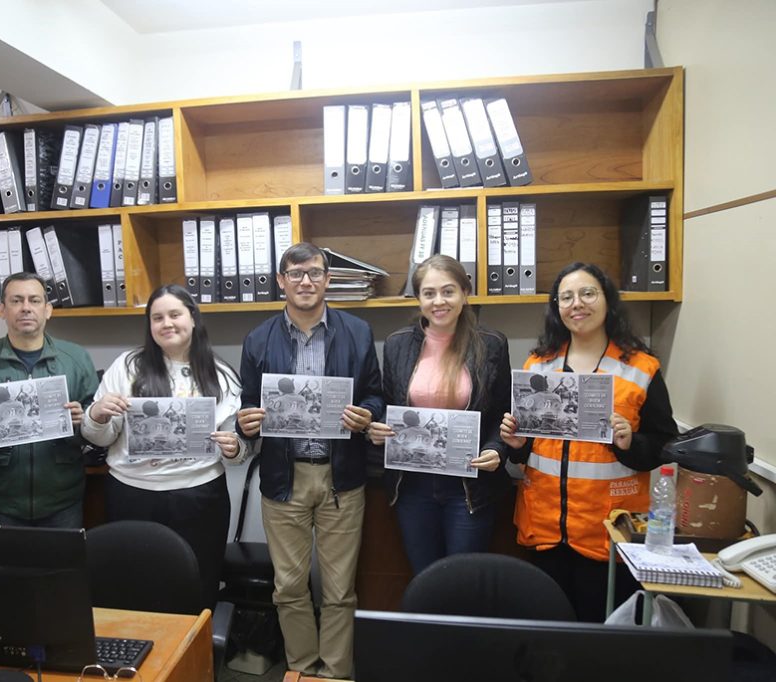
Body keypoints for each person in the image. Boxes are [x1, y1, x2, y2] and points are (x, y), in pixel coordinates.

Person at [237, 242, 383, 680]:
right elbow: (248, 407)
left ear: (327, 279)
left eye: (315, 272)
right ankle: (301, 669)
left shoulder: (358, 331)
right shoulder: (257, 339)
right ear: (281, 281)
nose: (306, 281)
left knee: (340, 590)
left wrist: (367, 413)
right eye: (296, 273)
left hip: (342, 479)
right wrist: (247, 421)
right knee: (288, 587)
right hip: (284, 479)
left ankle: (335, 673)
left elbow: (375, 394)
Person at [500, 262, 678, 622]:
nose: (577, 304)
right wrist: (518, 445)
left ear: (607, 300)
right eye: (566, 297)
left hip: (608, 535)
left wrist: (629, 442)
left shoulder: (640, 368)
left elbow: (664, 443)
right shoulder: (538, 366)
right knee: (548, 637)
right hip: (545, 531)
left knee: (600, 639)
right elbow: (531, 449)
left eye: (587, 293)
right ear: (557, 308)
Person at [82, 284, 248, 610]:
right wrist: (97, 414)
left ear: (193, 318)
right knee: (134, 588)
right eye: (157, 318)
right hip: (133, 494)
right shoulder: (127, 366)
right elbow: (99, 437)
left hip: (200, 498)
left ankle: (195, 643)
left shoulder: (221, 374)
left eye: (175, 314)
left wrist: (234, 447)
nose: (166, 323)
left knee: (198, 585)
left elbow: (238, 448)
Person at [366, 255, 511, 575]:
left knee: (462, 581)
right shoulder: (397, 344)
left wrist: (496, 449)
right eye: (429, 293)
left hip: (468, 486)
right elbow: (389, 406)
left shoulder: (491, 344)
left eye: (448, 291)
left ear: (464, 293)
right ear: (418, 298)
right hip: (412, 486)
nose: (439, 301)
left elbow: (503, 411)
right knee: (425, 579)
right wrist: (378, 429)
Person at [0, 272, 99, 528]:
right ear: (2, 309)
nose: (25, 308)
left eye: (34, 300)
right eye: (16, 300)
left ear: (48, 310)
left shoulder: (76, 358)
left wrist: (83, 420)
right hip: (2, 497)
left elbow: (96, 429)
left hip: (62, 496)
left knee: (63, 556)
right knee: (7, 556)